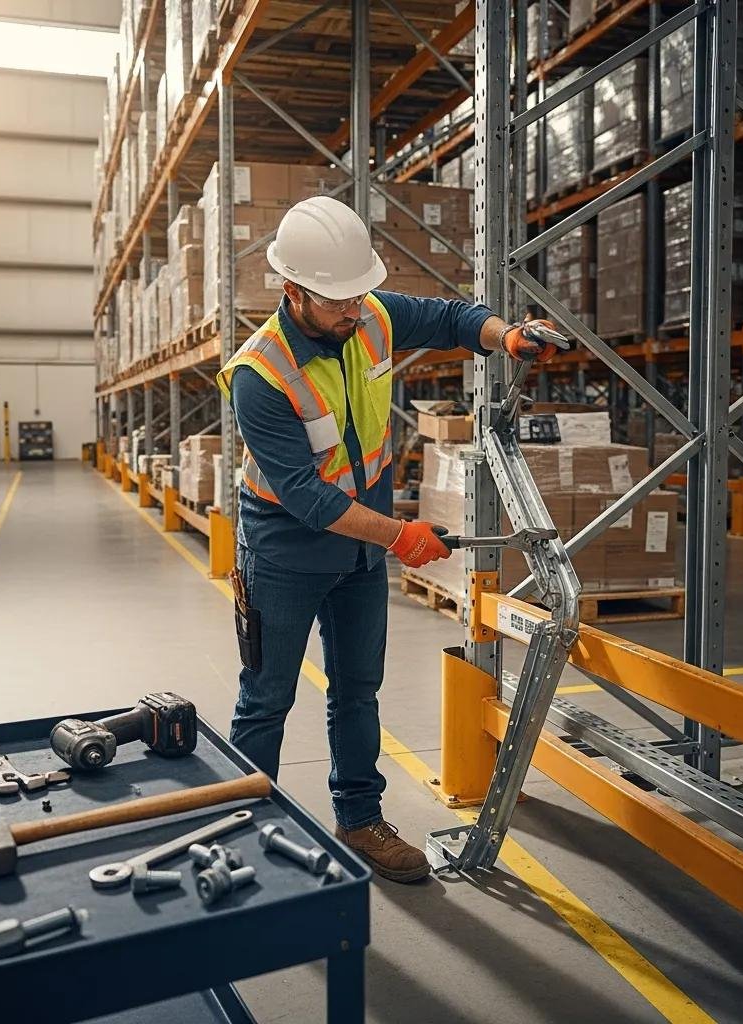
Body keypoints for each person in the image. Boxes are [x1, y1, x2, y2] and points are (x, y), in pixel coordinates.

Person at [216, 195, 562, 883]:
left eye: (357, 297)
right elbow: (309, 498)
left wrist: (506, 336)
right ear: (293, 291)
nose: (354, 311)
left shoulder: (367, 315)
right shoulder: (259, 375)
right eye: (337, 302)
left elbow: (447, 317)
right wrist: (403, 536)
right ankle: (244, 836)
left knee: (357, 689)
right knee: (266, 698)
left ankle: (360, 819)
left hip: (361, 547)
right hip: (285, 550)